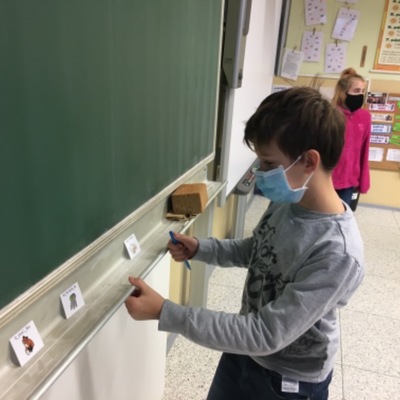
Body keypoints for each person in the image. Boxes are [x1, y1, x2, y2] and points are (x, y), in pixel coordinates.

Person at [124, 87, 365, 400]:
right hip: (243, 351)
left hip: (286, 381)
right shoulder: (288, 201)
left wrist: (166, 312)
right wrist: (201, 248)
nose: (258, 172)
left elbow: (266, 333)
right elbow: (258, 249)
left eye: (268, 163)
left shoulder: (338, 253)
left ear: (308, 161)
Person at [331, 67, 371, 208]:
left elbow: (364, 150)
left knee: (342, 214)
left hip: (349, 178)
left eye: (362, 91)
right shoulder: (329, 113)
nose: (360, 95)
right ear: (343, 92)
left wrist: (363, 180)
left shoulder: (365, 117)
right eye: (356, 91)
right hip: (327, 177)